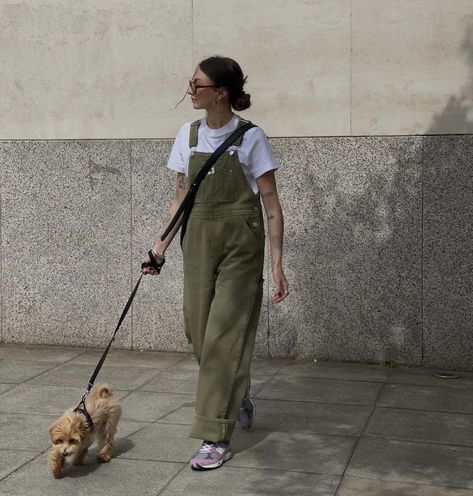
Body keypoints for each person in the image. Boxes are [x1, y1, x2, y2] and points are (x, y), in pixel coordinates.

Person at [142, 55, 289, 470]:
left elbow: (272, 206)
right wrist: (159, 249)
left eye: (196, 84)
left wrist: (277, 265)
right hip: (199, 242)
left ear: (220, 93)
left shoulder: (251, 138)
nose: (189, 89)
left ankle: (214, 436)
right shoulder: (186, 136)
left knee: (224, 337)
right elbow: (179, 201)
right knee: (198, 329)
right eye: (190, 82)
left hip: (242, 246)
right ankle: (235, 390)